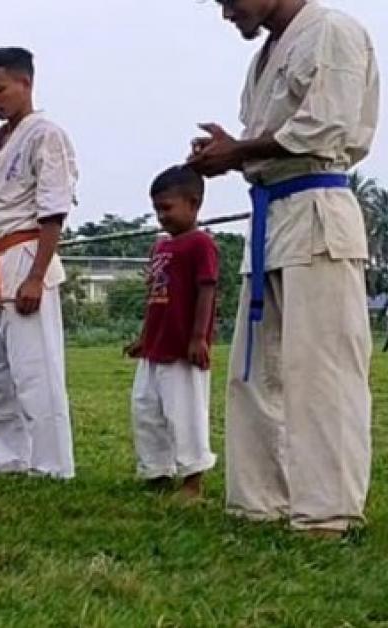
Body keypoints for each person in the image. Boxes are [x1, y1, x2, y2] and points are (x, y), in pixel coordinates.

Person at [187, 0, 378, 536]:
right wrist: (232, 151)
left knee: (322, 371)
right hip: (271, 214)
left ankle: (328, 510)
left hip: (318, 209)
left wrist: (237, 151)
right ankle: (260, 500)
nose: (227, 13)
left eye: (230, 0)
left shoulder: (332, 31)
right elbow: (269, 140)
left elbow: (326, 126)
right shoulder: (267, 53)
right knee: (254, 370)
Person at [0, 47, 77, 479]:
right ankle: (9, 455)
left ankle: (52, 463)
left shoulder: (45, 133)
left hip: (25, 256)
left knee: (36, 370)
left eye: (0, 89)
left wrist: (37, 276)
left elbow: (53, 209)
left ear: (26, 83)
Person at [124, 166, 219, 500]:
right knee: (146, 408)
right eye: (156, 210)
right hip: (156, 346)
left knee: (185, 413)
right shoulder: (161, 247)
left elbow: (206, 290)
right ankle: (156, 470)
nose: (161, 216)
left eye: (167, 208)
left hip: (182, 349)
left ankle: (192, 479)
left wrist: (198, 338)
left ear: (193, 204)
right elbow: (154, 299)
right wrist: (143, 338)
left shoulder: (201, 244)